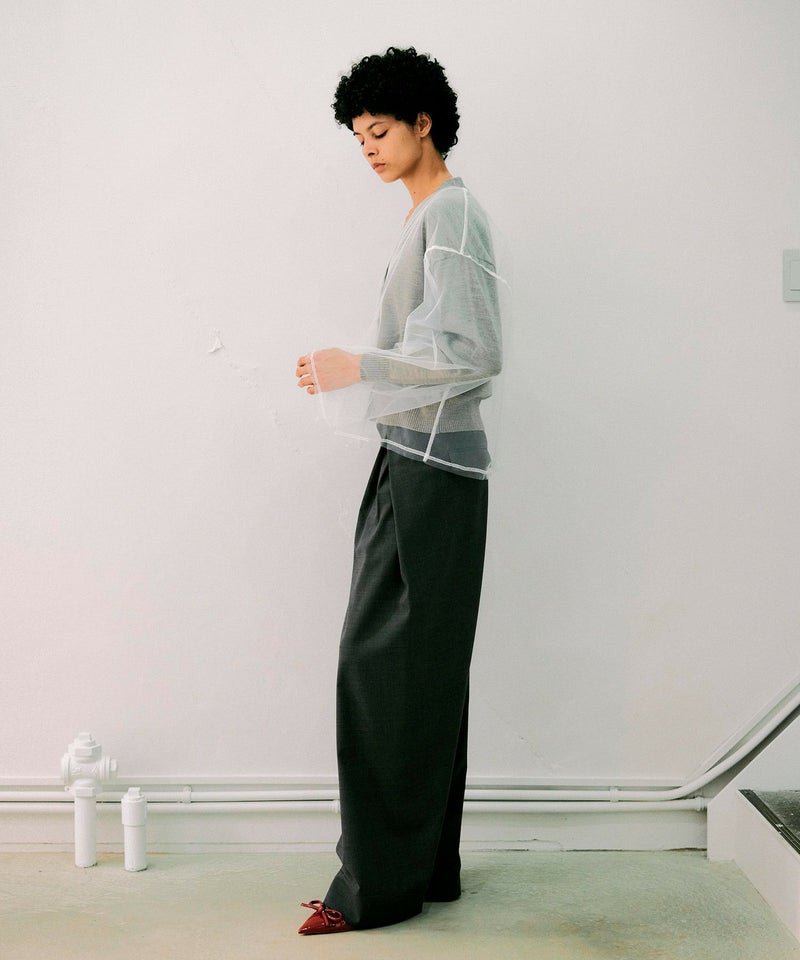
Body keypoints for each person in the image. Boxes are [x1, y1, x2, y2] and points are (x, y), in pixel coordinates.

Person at [294, 46, 506, 935]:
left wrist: (361, 364)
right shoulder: (429, 215)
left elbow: (474, 353)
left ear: (425, 123)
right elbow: (436, 349)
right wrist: (355, 373)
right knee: (417, 671)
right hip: (416, 461)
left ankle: (375, 888)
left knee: (383, 670)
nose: (369, 148)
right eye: (359, 138)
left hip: (436, 470)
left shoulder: (450, 213)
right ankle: (422, 871)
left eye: (380, 130)